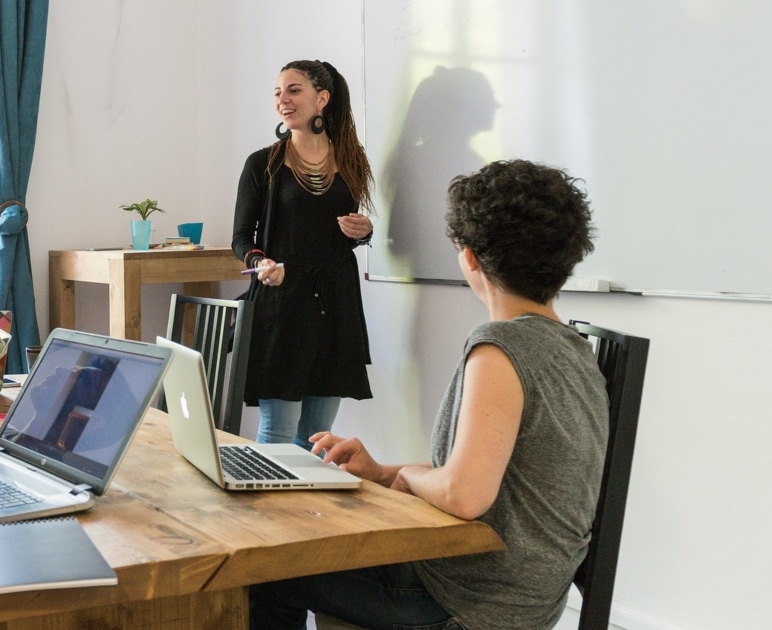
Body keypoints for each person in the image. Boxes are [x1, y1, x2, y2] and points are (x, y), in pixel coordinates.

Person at [248, 160, 608, 630]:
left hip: (471, 598)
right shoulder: (572, 350)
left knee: (268, 570)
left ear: (470, 257)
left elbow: (463, 495)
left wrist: (414, 475)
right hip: (520, 593)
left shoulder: (501, 349)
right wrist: (381, 472)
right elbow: (492, 478)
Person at [231, 59, 376, 448]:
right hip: (282, 302)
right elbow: (241, 238)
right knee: (277, 435)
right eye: (278, 92)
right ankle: (265, 511)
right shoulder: (263, 163)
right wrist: (260, 263)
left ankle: (309, 512)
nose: (283, 99)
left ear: (322, 99)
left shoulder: (351, 161)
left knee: (316, 440)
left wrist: (364, 232)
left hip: (335, 303)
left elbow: (339, 233)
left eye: (294, 90)